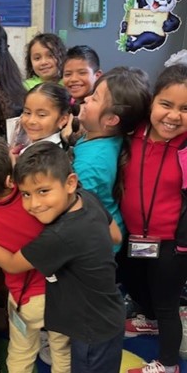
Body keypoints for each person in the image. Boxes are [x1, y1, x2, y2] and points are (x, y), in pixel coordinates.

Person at [0, 142, 125, 373]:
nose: (34, 204)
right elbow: (116, 236)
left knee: (28, 354)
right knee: (64, 354)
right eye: (26, 194)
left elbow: (11, 264)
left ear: (70, 182)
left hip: (83, 322)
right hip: (97, 308)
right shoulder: (85, 197)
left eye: (43, 191)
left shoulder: (59, 234)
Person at [0, 136, 70, 373]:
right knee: (62, 352)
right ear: (11, 180)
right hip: (61, 294)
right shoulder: (34, 198)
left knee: (20, 353)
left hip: (23, 300)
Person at [117, 64, 187, 373]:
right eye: (167, 104)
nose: (174, 115)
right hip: (132, 236)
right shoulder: (132, 133)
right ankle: (150, 322)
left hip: (172, 244)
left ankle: (169, 364)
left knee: (167, 304)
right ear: (152, 102)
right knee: (135, 284)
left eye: (186, 109)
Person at [73, 67, 150, 252]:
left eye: (95, 98)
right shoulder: (104, 136)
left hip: (97, 243)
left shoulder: (91, 163)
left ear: (111, 120)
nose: (86, 98)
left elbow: (78, 211)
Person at [17, 82, 70, 154]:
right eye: (27, 113)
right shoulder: (27, 144)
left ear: (62, 119)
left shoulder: (49, 155)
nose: (31, 121)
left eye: (41, 115)